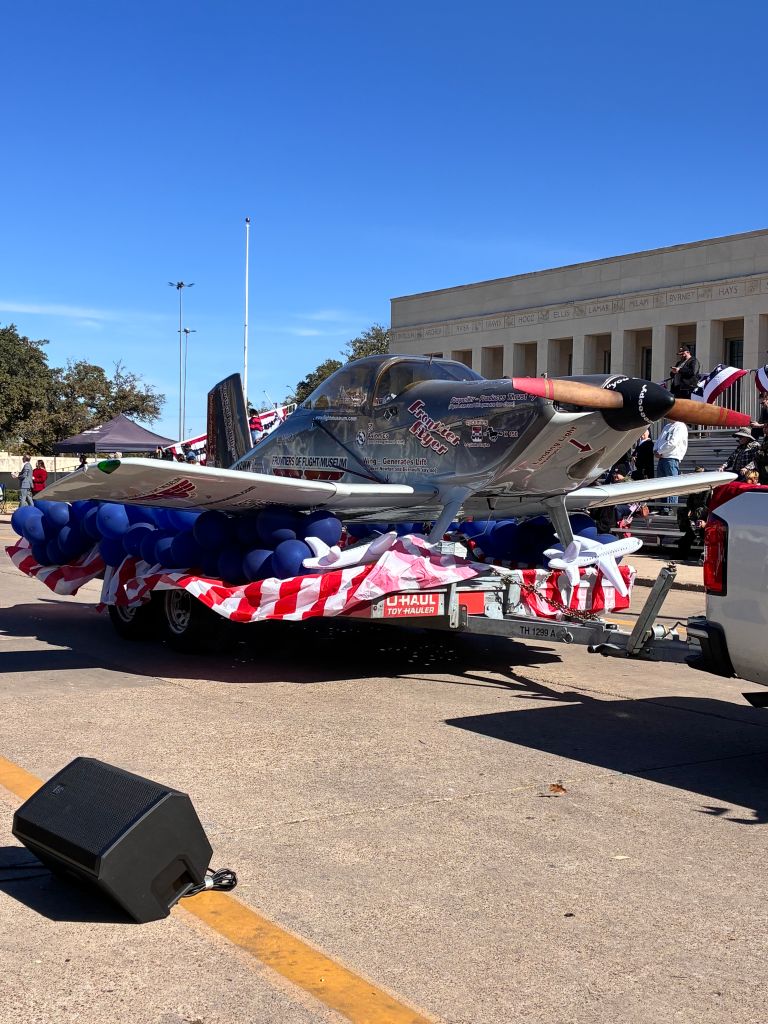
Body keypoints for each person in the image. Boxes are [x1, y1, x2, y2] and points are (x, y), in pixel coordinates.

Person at [653, 420, 688, 508]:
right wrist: (655, 450)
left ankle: (671, 507)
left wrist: (660, 451)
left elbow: (673, 442)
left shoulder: (680, 426)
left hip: (672, 457)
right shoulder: (667, 426)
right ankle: (664, 507)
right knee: (662, 484)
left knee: (672, 483)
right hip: (662, 457)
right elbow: (659, 439)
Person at [676, 466, 708, 560]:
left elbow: (707, 505)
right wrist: (690, 509)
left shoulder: (708, 489)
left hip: (705, 518)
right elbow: (689, 501)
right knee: (687, 537)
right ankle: (681, 555)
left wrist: (703, 519)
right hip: (695, 516)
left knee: (704, 536)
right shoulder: (695, 488)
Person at [749, 420, 768, 485]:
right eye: (764, 428)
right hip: (763, 467)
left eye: (766, 427)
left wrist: (759, 425)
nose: (764, 429)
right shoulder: (765, 438)